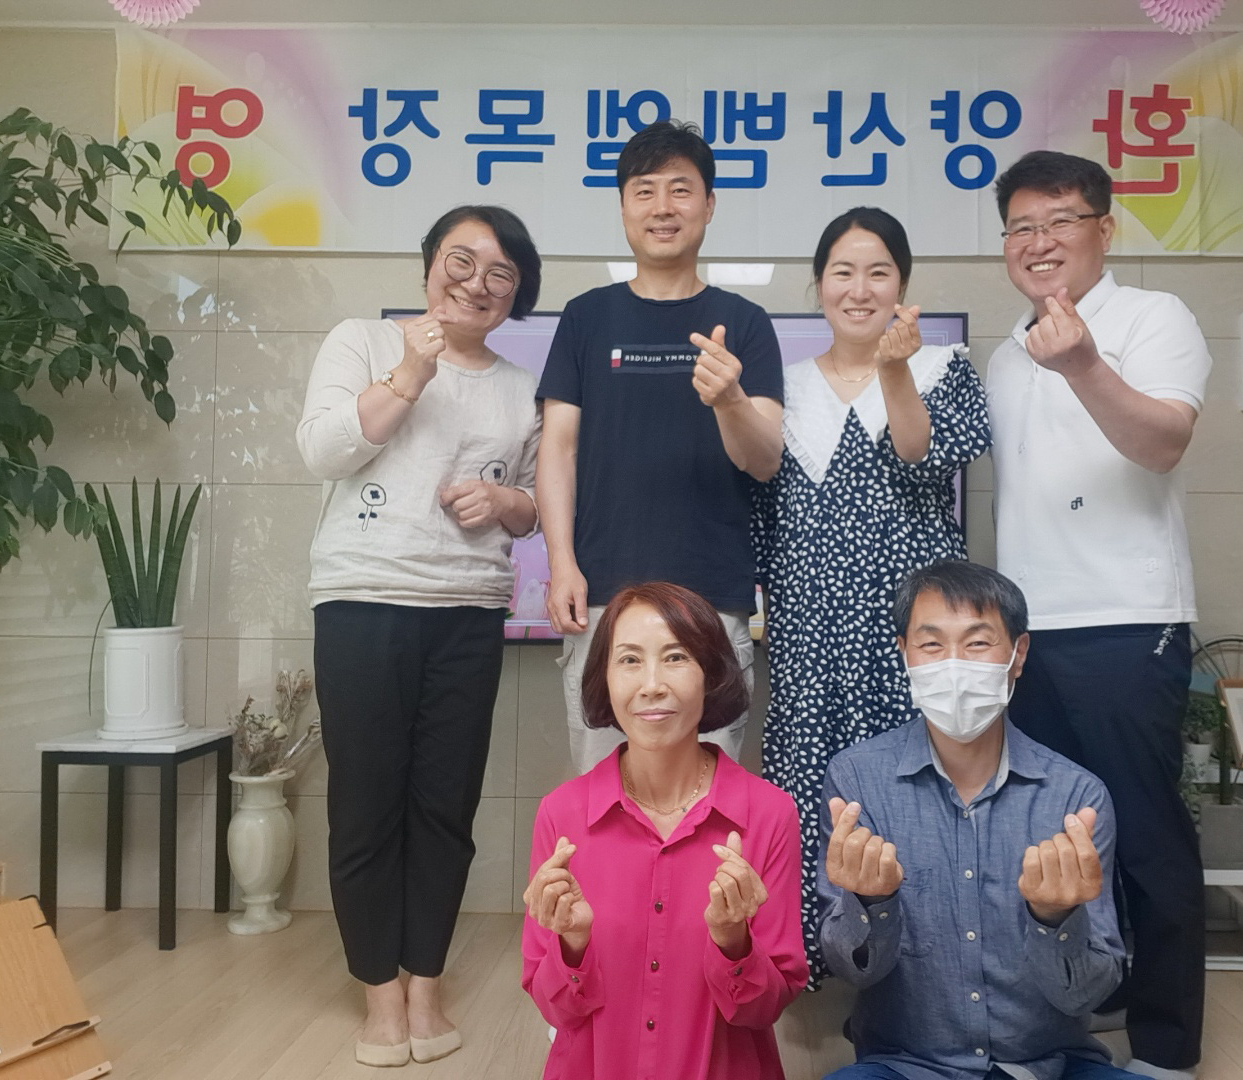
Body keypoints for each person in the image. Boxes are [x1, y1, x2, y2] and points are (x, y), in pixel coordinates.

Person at [297, 205, 543, 1067]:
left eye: (500, 273)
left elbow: (538, 504)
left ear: (517, 293)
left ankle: (426, 986)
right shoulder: (362, 340)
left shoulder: (521, 388)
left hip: (469, 612)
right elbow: (323, 451)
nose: (477, 283)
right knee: (367, 805)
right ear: (430, 264)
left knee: (445, 808)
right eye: (461, 261)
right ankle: (380, 994)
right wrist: (408, 374)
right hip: (362, 603)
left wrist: (506, 503)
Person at [985, 150, 1211, 1079]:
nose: (1039, 242)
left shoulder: (1154, 318)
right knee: (1054, 832)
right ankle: (1088, 999)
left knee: (1145, 832)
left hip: (1125, 618)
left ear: (1104, 229)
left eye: (1060, 221)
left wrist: (1082, 364)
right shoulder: (1005, 353)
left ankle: (1166, 1043)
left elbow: (1164, 442)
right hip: (1027, 633)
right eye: (1021, 227)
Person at [753, 207, 989, 982]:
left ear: (903, 286)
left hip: (908, 622)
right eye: (843, 272)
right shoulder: (781, 388)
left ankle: (923, 967)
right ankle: (815, 959)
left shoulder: (942, 367)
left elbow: (923, 459)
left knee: (915, 779)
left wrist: (894, 370)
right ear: (818, 284)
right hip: (808, 620)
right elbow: (759, 504)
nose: (860, 289)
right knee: (808, 778)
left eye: (879, 272)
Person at [818, 559, 1131, 1079]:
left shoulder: (1076, 796)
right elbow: (852, 971)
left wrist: (1055, 919)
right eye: (931, 644)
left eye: (978, 642)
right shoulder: (857, 781)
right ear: (905, 654)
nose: (954, 664)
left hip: (1049, 1065)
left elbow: (1090, 994)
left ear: (1018, 654)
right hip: (906, 1065)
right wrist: (871, 905)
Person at [536, 119, 785, 774]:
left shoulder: (747, 323)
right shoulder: (587, 317)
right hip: (603, 596)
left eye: (680, 189)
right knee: (604, 796)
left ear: (709, 204)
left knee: (707, 800)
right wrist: (561, 564)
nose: (662, 207)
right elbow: (558, 449)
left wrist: (730, 400)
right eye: (644, 191)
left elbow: (765, 461)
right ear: (623, 207)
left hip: (712, 599)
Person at [522, 582, 808, 1080]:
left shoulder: (769, 814)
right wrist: (573, 943)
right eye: (629, 660)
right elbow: (556, 1010)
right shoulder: (561, 814)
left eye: (675, 657)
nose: (651, 684)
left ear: (711, 673)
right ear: (604, 677)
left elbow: (765, 1009)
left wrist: (733, 941)